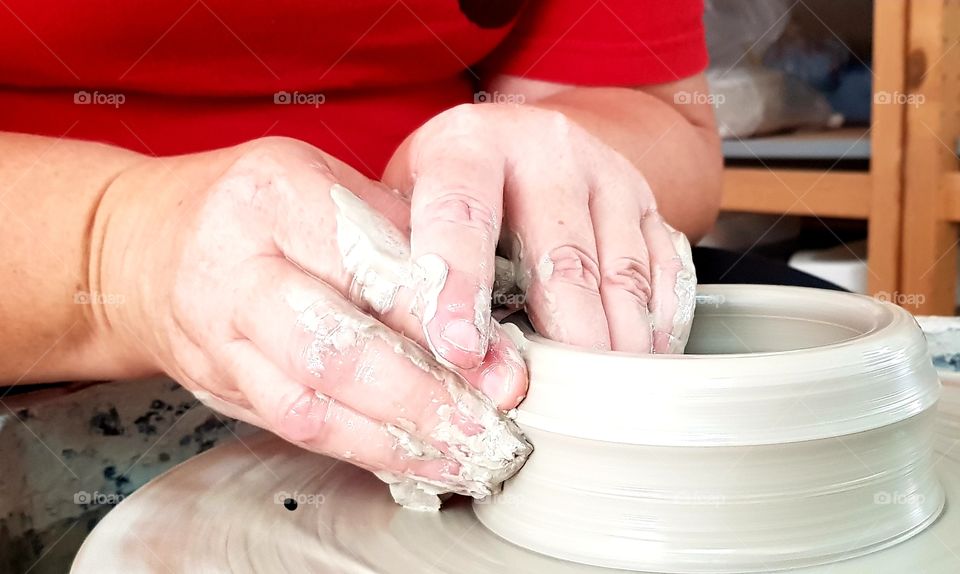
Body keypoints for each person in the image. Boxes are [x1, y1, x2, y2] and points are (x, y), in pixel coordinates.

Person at [0, 1, 722, 493]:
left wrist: (529, 158)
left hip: (455, 302)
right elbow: (114, 246)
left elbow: (662, 115)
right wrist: (116, 242)